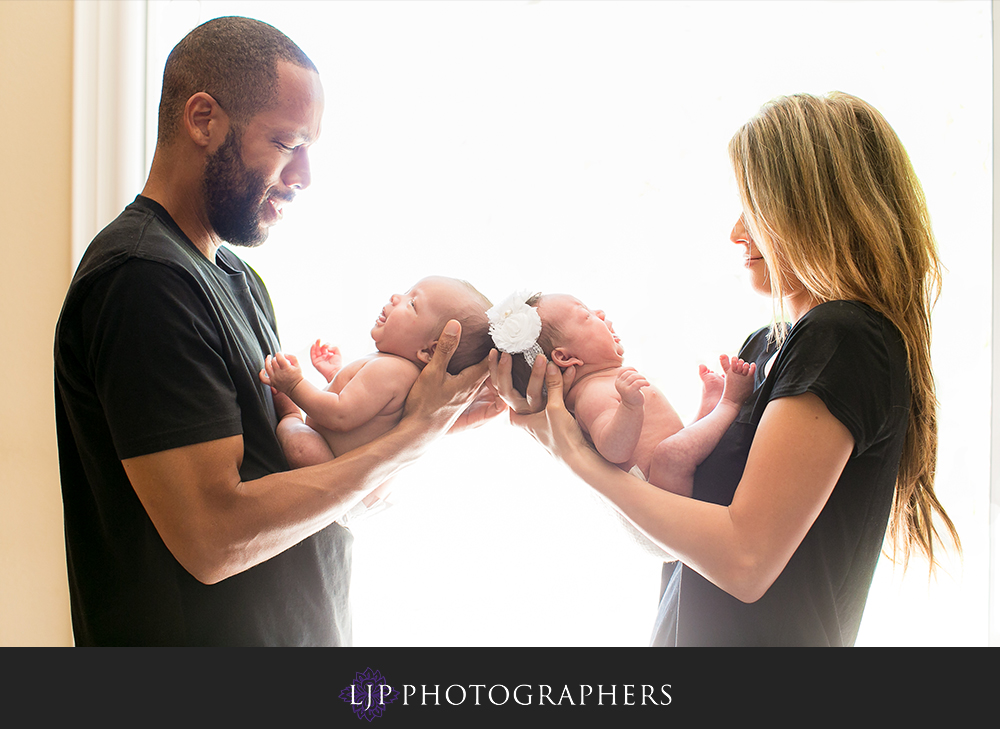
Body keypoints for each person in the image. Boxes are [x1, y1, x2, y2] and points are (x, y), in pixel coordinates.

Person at [53, 17, 500, 646]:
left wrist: (419, 418)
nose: (305, 176)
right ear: (203, 119)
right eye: (288, 143)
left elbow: (296, 462)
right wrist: (410, 441)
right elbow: (214, 537)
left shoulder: (236, 276)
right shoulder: (141, 281)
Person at [491, 92, 960, 646]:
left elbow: (744, 561)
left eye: (753, 207)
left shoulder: (843, 338)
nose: (737, 232)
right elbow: (682, 533)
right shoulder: (767, 346)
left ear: (813, 210)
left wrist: (572, 454)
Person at [259, 276, 492, 523]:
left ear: (429, 351)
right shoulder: (403, 375)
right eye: (406, 291)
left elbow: (340, 414)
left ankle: (290, 415)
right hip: (354, 482)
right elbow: (364, 409)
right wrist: (335, 374)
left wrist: (294, 384)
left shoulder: (392, 371)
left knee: (300, 444)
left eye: (412, 303)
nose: (396, 297)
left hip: (330, 470)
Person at [488, 290, 754, 496]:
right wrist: (629, 406)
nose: (601, 313)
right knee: (669, 455)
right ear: (565, 357)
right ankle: (729, 403)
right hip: (665, 496)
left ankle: (708, 408)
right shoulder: (591, 394)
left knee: (675, 445)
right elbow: (614, 449)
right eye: (587, 315)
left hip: (677, 477)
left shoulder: (606, 380)